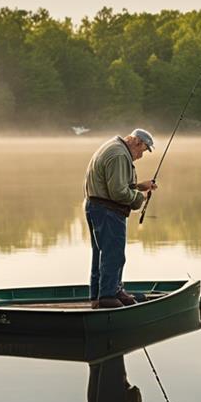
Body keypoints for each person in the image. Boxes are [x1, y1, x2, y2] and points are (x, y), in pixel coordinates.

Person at [84, 128, 158, 309]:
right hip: (107, 210)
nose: (141, 155)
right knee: (113, 254)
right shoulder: (119, 155)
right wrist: (139, 199)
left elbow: (119, 184)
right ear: (137, 142)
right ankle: (107, 297)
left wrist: (140, 187)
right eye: (143, 150)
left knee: (102, 253)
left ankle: (105, 293)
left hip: (98, 207)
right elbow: (117, 192)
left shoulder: (116, 148)